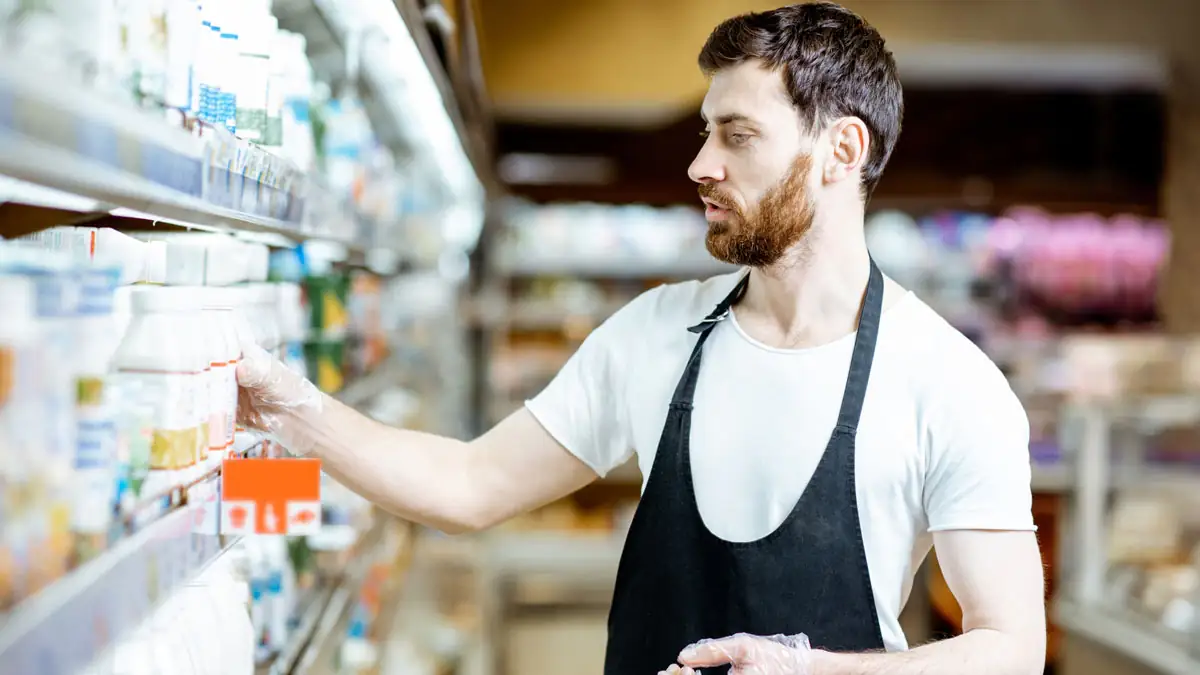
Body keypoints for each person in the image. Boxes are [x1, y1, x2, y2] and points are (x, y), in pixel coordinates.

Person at [236, 3, 1047, 674]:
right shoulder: (656, 334)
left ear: (842, 149)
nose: (700, 164)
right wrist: (285, 406)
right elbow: (469, 484)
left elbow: (1011, 645)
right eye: (705, 132)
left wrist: (812, 670)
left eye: (737, 134)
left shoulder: (948, 381)